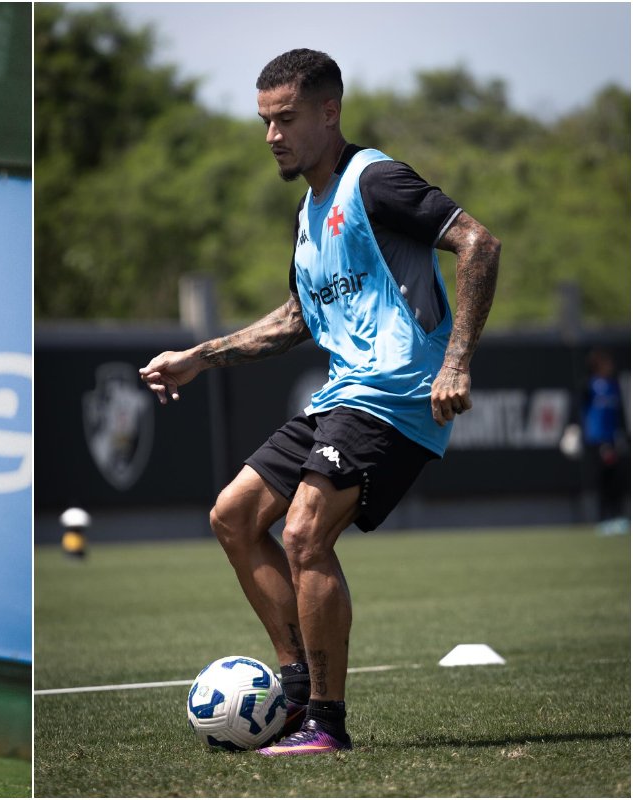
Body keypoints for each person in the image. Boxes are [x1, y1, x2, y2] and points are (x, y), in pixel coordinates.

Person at [139, 49, 500, 756]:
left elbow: (478, 244)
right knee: (234, 516)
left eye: (286, 118)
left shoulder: (377, 181)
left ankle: (324, 724)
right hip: (342, 396)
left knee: (305, 534)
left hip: (395, 396)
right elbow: (294, 320)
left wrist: (456, 361)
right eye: (264, 122)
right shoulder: (309, 213)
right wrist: (198, 357)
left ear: (328, 112)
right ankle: (298, 680)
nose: (273, 135)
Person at [581, 349, 628, 533]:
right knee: (603, 480)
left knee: (617, 480)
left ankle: (617, 517)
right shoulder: (590, 385)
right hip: (597, 439)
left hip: (613, 438)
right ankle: (604, 519)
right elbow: (581, 409)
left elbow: (620, 413)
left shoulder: (613, 385)